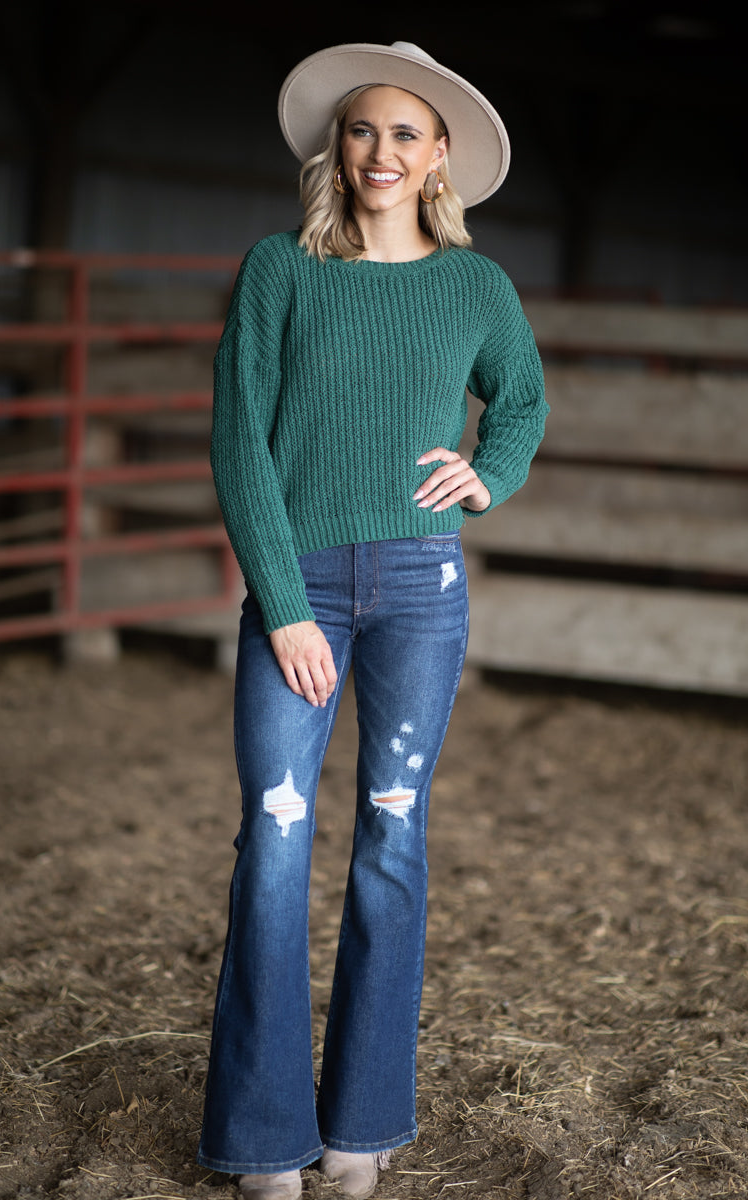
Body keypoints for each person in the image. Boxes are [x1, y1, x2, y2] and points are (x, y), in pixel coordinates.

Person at [197, 40, 548, 1200]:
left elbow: (521, 399)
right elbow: (238, 442)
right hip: (296, 590)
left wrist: (488, 474)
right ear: (334, 149)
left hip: (417, 594)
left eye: (404, 133)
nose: (380, 151)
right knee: (274, 839)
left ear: (438, 154)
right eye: (361, 130)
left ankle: (361, 1125)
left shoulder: (475, 287)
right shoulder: (279, 269)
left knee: (391, 842)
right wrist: (281, 607)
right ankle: (262, 1140)